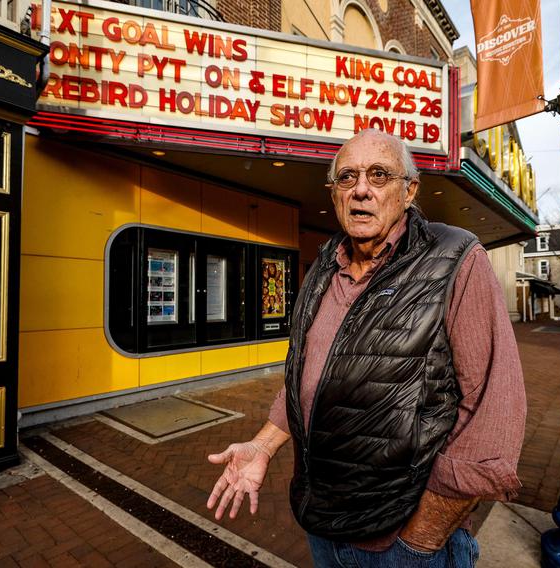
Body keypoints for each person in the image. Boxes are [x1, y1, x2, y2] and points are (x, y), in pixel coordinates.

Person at [207, 129, 526, 567]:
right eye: (347, 178)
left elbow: (493, 413)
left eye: (379, 175)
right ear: (334, 193)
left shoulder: (456, 257)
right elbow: (307, 378)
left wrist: (420, 541)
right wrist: (262, 446)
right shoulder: (323, 266)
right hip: (323, 528)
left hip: (405, 539)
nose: (361, 189)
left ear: (409, 190)